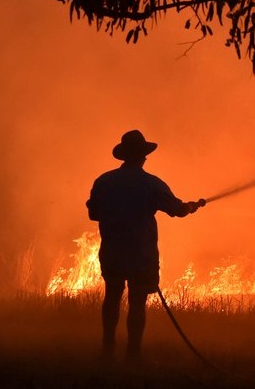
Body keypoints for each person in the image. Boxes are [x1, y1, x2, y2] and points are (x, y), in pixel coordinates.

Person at [86, 129, 205, 360]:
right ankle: (133, 353)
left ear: (123, 156)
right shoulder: (151, 184)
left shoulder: (104, 181)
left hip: (112, 251)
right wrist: (191, 206)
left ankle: (107, 347)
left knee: (111, 297)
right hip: (141, 254)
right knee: (137, 302)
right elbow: (176, 210)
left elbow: (93, 214)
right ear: (142, 157)